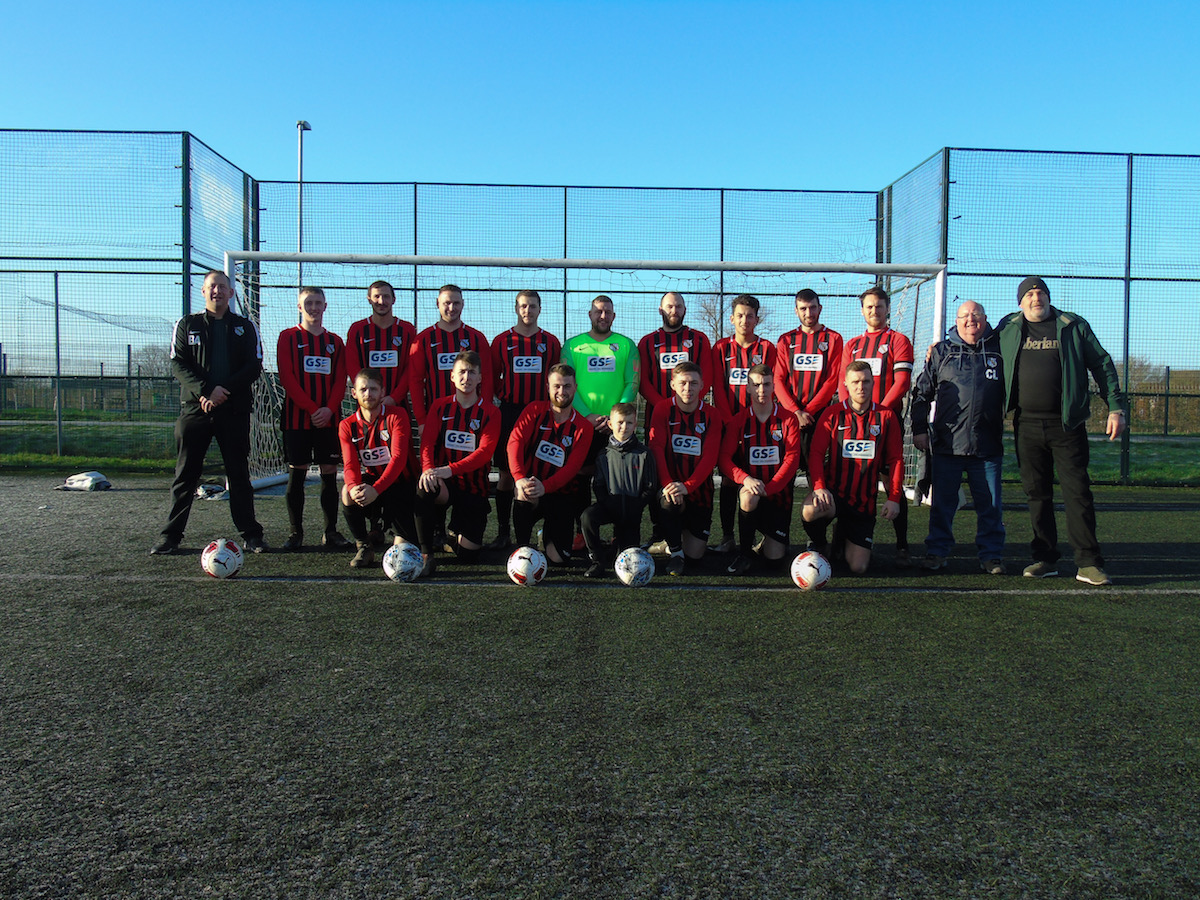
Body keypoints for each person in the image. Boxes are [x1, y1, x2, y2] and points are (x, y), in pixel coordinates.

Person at [997, 277, 1127, 585]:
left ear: (1048, 298)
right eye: (1029, 294)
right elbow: (976, 342)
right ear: (1020, 302)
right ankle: (1045, 559)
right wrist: (943, 344)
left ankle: (1089, 563)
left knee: (1077, 493)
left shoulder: (1073, 325)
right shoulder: (1007, 328)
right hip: (1025, 424)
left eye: (1040, 292)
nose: (1035, 297)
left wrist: (1116, 407)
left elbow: (1102, 364)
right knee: (1036, 495)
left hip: (1066, 425)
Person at [151, 270, 267, 555]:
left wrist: (221, 391)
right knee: (186, 475)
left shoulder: (245, 326)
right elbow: (178, 364)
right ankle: (171, 536)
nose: (217, 291)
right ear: (203, 291)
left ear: (230, 293)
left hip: (234, 410)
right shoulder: (186, 324)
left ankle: (252, 535)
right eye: (212, 286)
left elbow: (254, 365)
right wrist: (205, 390)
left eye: (223, 287)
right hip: (195, 410)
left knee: (238, 474)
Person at [910, 300, 1007, 574]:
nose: (970, 320)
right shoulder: (941, 352)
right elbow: (921, 394)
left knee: (990, 506)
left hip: (987, 446)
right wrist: (919, 429)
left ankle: (991, 556)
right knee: (942, 506)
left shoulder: (1001, 350)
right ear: (956, 320)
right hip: (947, 445)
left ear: (986, 319)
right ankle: (937, 552)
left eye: (976, 315)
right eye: (964, 315)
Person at [802, 361, 905, 575]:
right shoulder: (832, 414)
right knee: (810, 510)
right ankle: (820, 543)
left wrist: (894, 497)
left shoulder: (886, 416)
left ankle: (843, 535)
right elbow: (816, 454)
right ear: (846, 384)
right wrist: (819, 487)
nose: (861, 386)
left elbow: (895, 459)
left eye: (866, 381)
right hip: (834, 494)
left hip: (864, 502)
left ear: (873, 383)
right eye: (856, 382)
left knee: (858, 567)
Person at [840, 285, 914, 565]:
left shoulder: (898, 340)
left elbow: (902, 382)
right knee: (852, 477)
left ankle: (902, 545)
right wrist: (852, 413)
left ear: (887, 309)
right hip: (855, 422)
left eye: (879, 306)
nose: (874, 311)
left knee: (890, 479)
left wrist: (878, 410)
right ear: (862, 311)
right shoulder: (853, 345)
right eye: (869, 306)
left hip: (886, 421)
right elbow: (843, 383)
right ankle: (844, 538)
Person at [276, 286, 351, 552]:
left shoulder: (335, 342)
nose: (314, 307)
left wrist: (329, 410)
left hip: (329, 419)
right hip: (297, 418)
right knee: (297, 472)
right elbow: (287, 377)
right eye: (308, 303)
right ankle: (296, 532)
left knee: (330, 473)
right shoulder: (287, 337)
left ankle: (331, 531)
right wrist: (312, 408)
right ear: (299, 306)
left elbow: (341, 379)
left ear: (325, 306)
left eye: (318, 303)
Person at [488, 289, 563, 550]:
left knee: (541, 469)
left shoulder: (551, 342)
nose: (527, 311)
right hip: (510, 412)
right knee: (508, 474)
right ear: (516, 309)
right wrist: (505, 396)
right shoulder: (501, 341)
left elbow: (555, 376)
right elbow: (493, 376)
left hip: (542, 414)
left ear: (539, 309)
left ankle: (543, 531)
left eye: (532, 306)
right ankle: (503, 532)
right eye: (523, 306)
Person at [414, 351, 500, 578]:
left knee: (468, 556)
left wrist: (449, 469)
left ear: (480, 378)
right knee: (425, 485)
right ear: (452, 376)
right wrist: (428, 470)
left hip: (474, 488)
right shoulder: (440, 407)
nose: (466, 377)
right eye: (461, 372)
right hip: (445, 484)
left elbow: (484, 453)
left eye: (472, 372)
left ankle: (453, 533)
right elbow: (427, 444)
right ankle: (425, 555)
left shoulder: (491, 412)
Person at [506, 363, 594, 564]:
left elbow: (572, 468)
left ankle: (546, 535)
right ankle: (522, 549)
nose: (561, 391)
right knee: (522, 492)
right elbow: (515, 442)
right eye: (556, 386)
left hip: (560, 495)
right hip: (530, 487)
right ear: (548, 387)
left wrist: (545, 487)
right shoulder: (534, 410)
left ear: (575, 387)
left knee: (558, 559)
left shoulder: (583, 427)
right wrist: (519, 478)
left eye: (567, 386)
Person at [710, 294, 778, 553]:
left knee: (759, 477)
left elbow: (770, 387)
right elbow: (718, 385)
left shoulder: (767, 349)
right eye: (739, 315)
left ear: (757, 319)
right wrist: (730, 422)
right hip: (730, 424)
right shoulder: (720, 349)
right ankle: (728, 537)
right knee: (729, 480)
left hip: (759, 425)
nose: (744, 320)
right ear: (732, 318)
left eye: (749, 316)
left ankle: (763, 534)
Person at [718, 364, 801, 575]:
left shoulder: (788, 419)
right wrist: (745, 479)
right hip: (754, 490)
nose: (761, 390)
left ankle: (771, 541)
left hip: (778, 495)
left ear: (773, 386)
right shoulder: (739, 421)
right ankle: (744, 553)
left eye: (765, 384)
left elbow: (792, 458)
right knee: (747, 496)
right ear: (747, 388)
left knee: (774, 561)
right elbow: (724, 459)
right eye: (755, 385)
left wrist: (771, 488)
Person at [648, 361, 725, 576]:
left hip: (699, 491)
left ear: (702, 386)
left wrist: (687, 486)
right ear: (673, 384)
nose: (687, 388)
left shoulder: (712, 415)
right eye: (682, 383)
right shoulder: (663, 409)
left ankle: (672, 543)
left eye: (693, 383)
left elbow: (710, 458)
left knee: (696, 556)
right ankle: (675, 552)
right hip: (671, 487)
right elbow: (657, 449)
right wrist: (669, 484)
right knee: (668, 501)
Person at [338, 367, 418, 568]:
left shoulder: (397, 416)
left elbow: (398, 459)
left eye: (373, 389)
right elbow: (350, 464)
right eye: (363, 389)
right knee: (347, 492)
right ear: (353, 393)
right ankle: (364, 546)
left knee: (401, 551)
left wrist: (376, 490)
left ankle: (391, 528)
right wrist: (355, 486)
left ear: (382, 392)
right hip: (374, 484)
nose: (368, 394)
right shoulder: (347, 425)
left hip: (402, 484)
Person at [581, 403, 657, 578]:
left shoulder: (644, 454)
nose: (624, 427)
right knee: (588, 516)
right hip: (610, 507)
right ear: (610, 424)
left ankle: (616, 547)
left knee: (628, 563)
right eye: (620, 422)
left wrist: (636, 505)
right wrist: (608, 502)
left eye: (629, 423)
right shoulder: (603, 454)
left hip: (632, 513)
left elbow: (651, 486)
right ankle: (597, 560)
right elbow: (598, 485)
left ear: (635, 425)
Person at [408, 284, 493, 437]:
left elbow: (486, 378)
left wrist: (484, 412)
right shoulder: (423, 340)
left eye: (456, 303)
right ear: (437, 304)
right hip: (436, 417)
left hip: (472, 416)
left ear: (463, 304)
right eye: (447, 303)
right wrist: (421, 420)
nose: (451, 308)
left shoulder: (476, 338)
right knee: (435, 459)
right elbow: (415, 381)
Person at [773, 288, 843, 466]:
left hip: (818, 416)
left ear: (820, 308)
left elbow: (832, 380)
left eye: (812, 308)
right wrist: (795, 412)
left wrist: (808, 413)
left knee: (815, 468)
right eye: (803, 309)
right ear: (796, 311)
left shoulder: (834, 338)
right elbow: (778, 380)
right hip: (789, 415)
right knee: (785, 467)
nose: (808, 313)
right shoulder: (786, 340)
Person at [637, 291, 714, 428]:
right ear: (660, 310)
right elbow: (643, 382)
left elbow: (707, 377)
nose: (674, 311)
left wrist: (688, 403)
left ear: (685, 310)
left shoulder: (699, 339)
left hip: (693, 413)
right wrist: (663, 406)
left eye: (678, 307)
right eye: (670, 307)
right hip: (658, 413)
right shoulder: (647, 342)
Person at [344, 280, 417, 412]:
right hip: (366, 404)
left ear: (393, 299)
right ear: (369, 300)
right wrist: (368, 394)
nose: (381, 301)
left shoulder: (407, 330)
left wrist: (394, 397)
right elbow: (352, 367)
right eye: (376, 296)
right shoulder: (357, 330)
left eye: (386, 296)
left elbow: (411, 368)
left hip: (397, 405)